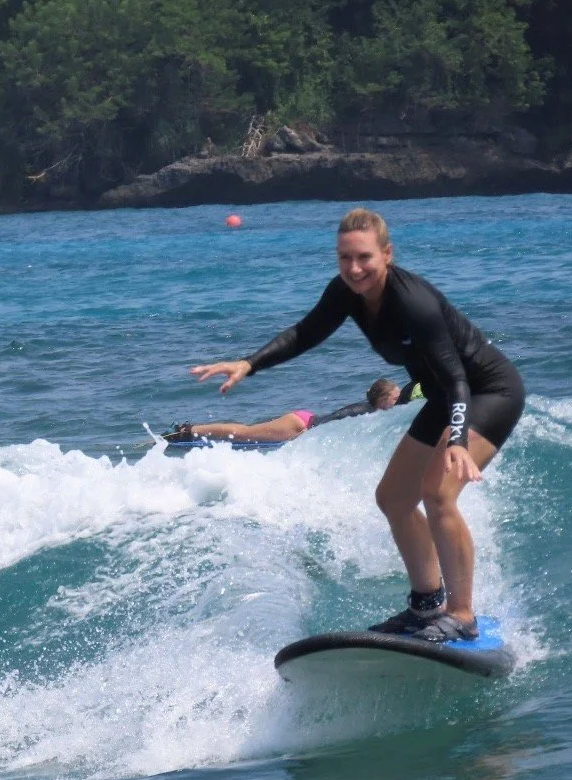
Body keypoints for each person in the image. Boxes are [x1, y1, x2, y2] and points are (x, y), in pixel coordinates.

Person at [190, 208, 524, 643]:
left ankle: (462, 614)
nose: (354, 268)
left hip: (487, 392)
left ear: (387, 254)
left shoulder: (413, 302)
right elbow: (304, 333)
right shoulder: (346, 293)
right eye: (345, 258)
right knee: (394, 497)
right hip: (445, 395)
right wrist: (248, 363)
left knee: (438, 493)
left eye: (364, 257)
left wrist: (458, 440)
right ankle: (427, 604)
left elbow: (458, 377)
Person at [163, 378, 421, 444]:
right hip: (301, 425)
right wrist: (300, 442)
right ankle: (188, 431)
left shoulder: (371, 413)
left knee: (246, 432)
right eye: (395, 398)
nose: (398, 403)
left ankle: (190, 431)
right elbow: (329, 425)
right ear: (382, 399)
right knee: (243, 433)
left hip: (306, 418)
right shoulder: (362, 412)